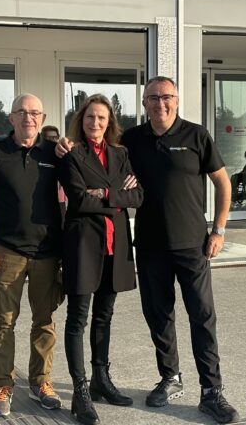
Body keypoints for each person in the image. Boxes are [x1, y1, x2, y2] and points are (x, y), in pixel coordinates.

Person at [57, 76, 239, 424]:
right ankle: (170, 377)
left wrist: (218, 230)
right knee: (159, 316)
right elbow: (96, 159)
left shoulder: (197, 135)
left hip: (192, 245)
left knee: (202, 315)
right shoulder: (131, 142)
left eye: (166, 97)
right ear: (144, 103)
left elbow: (222, 182)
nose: (160, 103)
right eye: (153, 98)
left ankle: (211, 392)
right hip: (150, 245)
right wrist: (62, 146)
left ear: (177, 99)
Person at [0, 94, 65, 418]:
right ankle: (3, 385)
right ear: (11, 118)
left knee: (44, 320)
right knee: (3, 322)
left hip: (48, 252)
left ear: (43, 116)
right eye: (22, 112)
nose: (28, 118)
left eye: (35, 112)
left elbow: (79, 191)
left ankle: (40, 382)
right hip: (5, 252)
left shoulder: (54, 154)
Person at [59, 95, 143, 425]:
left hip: (115, 244)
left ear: (110, 123)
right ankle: (80, 392)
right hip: (82, 244)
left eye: (102, 119)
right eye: (91, 117)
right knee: (77, 318)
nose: (96, 123)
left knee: (104, 315)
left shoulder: (121, 153)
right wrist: (116, 195)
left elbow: (138, 196)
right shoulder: (71, 154)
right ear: (81, 119)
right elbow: (79, 200)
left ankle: (100, 380)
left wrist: (104, 193)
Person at [41, 125, 67, 217]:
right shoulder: (40, 157)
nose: (53, 140)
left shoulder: (62, 154)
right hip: (45, 200)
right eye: (49, 138)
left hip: (61, 199)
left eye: (55, 137)